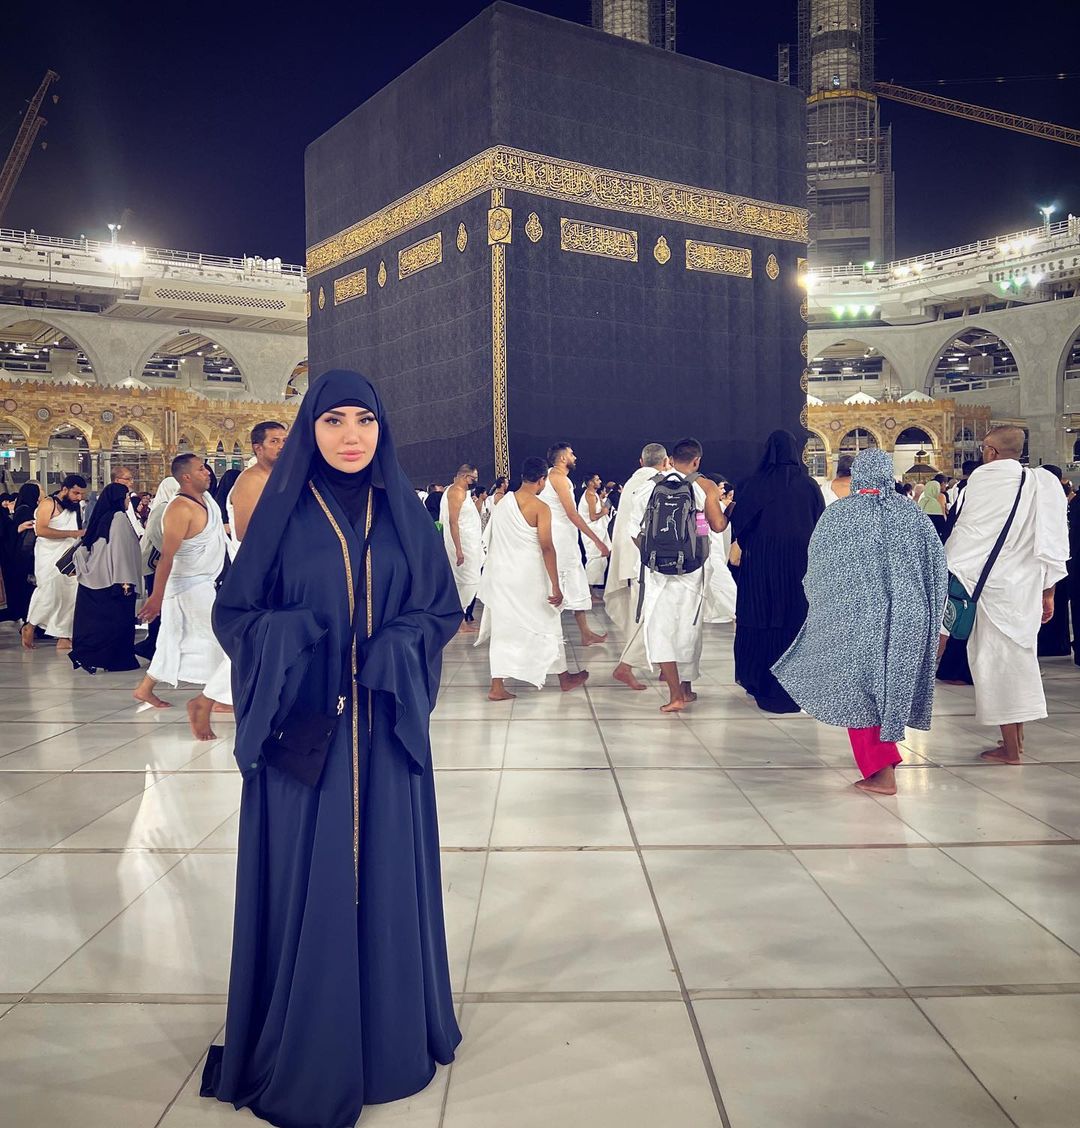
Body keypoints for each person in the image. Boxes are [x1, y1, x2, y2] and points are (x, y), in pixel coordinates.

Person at [200, 370, 461, 1127]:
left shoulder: (403, 512)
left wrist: (403, 642)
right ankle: (309, 1040)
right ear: (309, 430)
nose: (351, 436)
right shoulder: (284, 513)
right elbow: (235, 612)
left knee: (384, 869)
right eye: (334, 420)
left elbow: (440, 608)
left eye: (365, 420)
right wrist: (289, 634)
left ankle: (387, 1038)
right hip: (305, 736)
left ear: (383, 428)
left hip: (385, 731)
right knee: (306, 877)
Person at [773, 448, 949, 794]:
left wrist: (824, 605)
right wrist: (929, 614)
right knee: (891, 686)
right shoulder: (912, 514)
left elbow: (817, 571)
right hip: (908, 615)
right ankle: (887, 760)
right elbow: (937, 568)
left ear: (858, 476)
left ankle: (881, 772)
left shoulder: (839, 514)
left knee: (860, 691)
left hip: (858, 618)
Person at [946, 426, 1069, 763]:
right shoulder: (1042, 483)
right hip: (1026, 589)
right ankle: (1018, 740)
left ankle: (1010, 750)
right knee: (1020, 661)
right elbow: (1052, 542)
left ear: (990, 450)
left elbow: (967, 536)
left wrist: (949, 568)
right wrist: (1048, 592)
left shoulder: (983, 480)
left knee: (995, 666)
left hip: (991, 591)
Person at [188, 421, 287, 739]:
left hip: (279, 568)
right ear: (258, 448)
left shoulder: (278, 478)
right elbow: (245, 531)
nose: (282, 446)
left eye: (285, 440)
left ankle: (219, 700)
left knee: (270, 641)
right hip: (260, 572)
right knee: (259, 640)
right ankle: (206, 700)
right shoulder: (250, 480)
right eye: (275, 441)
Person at [478, 456, 589, 699]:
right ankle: (564, 677)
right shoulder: (541, 507)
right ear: (542, 480)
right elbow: (547, 547)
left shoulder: (503, 503)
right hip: (529, 577)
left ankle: (497, 686)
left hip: (503, 577)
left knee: (503, 630)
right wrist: (556, 585)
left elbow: (490, 539)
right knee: (549, 622)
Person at [731, 430, 825, 713]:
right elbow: (819, 525)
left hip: (759, 566)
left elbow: (740, 525)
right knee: (793, 620)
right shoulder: (808, 486)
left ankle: (757, 679)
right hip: (798, 567)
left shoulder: (751, 484)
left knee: (760, 617)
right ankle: (794, 684)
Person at [639, 438, 730, 712]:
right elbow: (716, 526)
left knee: (661, 629)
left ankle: (675, 694)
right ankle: (687, 689)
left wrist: (654, 554)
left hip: (657, 571)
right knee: (689, 629)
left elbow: (635, 531)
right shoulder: (705, 486)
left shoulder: (651, 486)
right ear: (697, 461)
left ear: (670, 459)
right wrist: (727, 512)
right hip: (692, 569)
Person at [132, 454, 227, 709]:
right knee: (220, 636)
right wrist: (156, 597)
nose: (207, 472)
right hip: (187, 585)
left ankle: (145, 689)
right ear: (186, 476)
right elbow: (167, 556)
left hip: (203, 581)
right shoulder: (179, 509)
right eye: (201, 469)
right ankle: (218, 697)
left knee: (172, 638)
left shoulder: (206, 501)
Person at [605, 443, 668, 690]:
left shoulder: (632, 482)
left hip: (631, 559)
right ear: (665, 462)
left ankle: (663, 665)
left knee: (648, 614)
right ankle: (625, 666)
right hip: (646, 560)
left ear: (641, 461)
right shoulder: (657, 483)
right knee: (649, 615)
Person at [539, 441, 609, 646]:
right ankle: (549, 636)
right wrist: (597, 541)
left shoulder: (552, 476)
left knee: (573, 582)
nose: (574, 457)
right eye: (571, 454)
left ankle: (585, 633)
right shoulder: (559, 478)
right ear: (562, 458)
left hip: (562, 537)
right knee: (561, 583)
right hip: (560, 539)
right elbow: (572, 514)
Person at [69, 483, 144, 673]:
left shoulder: (104, 517)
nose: (128, 501)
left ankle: (91, 656)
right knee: (118, 622)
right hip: (117, 579)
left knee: (100, 623)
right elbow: (120, 552)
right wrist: (125, 582)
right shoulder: (119, 518)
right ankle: (117, 660)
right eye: (126, 497)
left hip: (99, 578)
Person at [21, 474, 87, 651]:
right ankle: (30, 625)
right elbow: (41, 530)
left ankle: (64, 636)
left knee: (70, 594)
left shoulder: (75, 507)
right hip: (48, 556)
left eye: (81, 494)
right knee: (49, 592)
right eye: (75, 493)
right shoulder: (48, 503)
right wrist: (72, 533)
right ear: (65, 489)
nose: (79, 497)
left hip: (69, 556)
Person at [133, 476, 180, 663]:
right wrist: (171, 553)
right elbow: (156, 534)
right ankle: (152, 644)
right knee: (157, 603)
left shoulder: (166, 507)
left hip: (159, 563)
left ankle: (155, 644)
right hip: (155, 565)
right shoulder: (162, 508)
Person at [1036, 464, 1073, 657]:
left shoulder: (1035, 500)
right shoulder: (1062, 501)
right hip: (1062, 560)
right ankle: (1059, 644)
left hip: (1042, 563)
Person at [440, 464, 482, 631]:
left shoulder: (463, 492)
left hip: (470, 544)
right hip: (462, 545)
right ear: (465, 476)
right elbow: (453, 522)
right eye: (473, 478)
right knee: (468, 581)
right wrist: (458, 549)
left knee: (470, 581)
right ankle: (458, 619)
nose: (475, 482)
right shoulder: (456, 492)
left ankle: (461, 618)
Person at [703, 475, 738, 624]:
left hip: (717, 553)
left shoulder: (719, 507)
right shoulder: (707, 506)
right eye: (721, 488)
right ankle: (738, 611)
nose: (723, 491)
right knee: (726, 585)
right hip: (710, 554)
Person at [577, 472, 611, 590]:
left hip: (599, 531)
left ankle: (591, 590)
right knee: (595, 560)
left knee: (602, 559)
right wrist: (604, 512)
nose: (600, 481)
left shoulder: (594, 494)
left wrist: (601, 500)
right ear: (591, 483)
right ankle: (588, 591)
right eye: (597, 480)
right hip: (592, 532)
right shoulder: (590, 496)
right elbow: (593, 517)